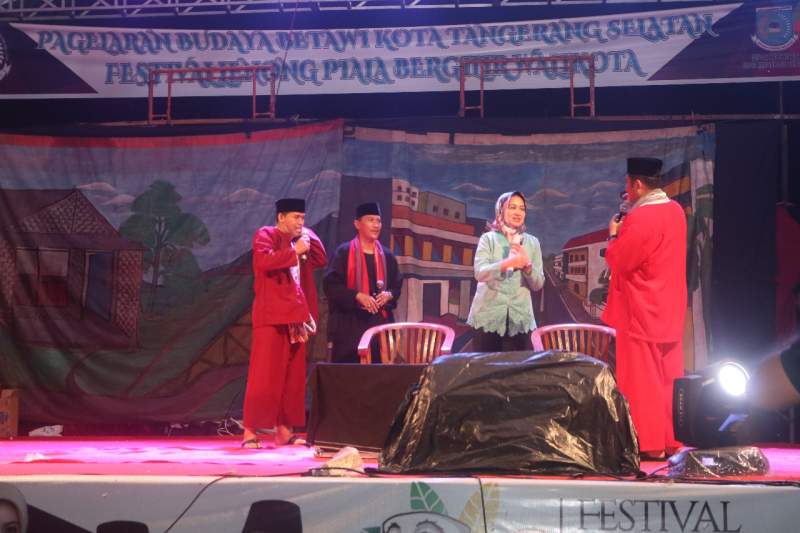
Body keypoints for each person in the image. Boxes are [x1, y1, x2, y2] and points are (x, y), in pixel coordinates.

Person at [602, 157, 687, 459]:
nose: (627, 190)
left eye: (628, 184)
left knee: (642, 382)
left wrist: (613, 234)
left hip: (640, 310)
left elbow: (621, 261)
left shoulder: (641, 218)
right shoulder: (676, 211)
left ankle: (648, 444)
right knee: (667, 380)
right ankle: (670, 441)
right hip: (669, 307)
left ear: (637, 184)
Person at [242, 198, 327, 449]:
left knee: (293, 378)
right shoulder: (265, 235)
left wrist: (306, 235)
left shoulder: (300, 241)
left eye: (303, 217)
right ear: (281, 217)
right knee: (264, 375)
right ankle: (249, 431)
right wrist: (295, 251)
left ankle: (284, 431)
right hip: (272, 315)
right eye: (295, 217)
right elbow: (264, 262)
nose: (300, 222)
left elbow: (321, 258)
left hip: (296, 317)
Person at [323, 202, 401, 363]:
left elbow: (396, 286)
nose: (376, 225)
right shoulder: (343, 253)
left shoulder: (387, 256)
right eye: (371, 220)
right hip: (350, 326)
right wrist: (357, 295)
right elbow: (331, 286)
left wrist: (389, 295)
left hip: (379, 325)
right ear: (357, 224)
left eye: (378, 221)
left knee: (380, 376)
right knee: (350, 378)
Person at [467, 191, 544, 352]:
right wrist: (508, 263)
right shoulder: (488, 239)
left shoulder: (532, 242)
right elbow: (479, 273)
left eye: (522, 209)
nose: (518, 212)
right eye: (512, 207)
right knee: (486, 372)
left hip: (520, 318)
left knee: (519, 373)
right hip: (488, 317)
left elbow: (538, 284)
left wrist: (527, 267)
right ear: (500, 210)